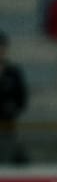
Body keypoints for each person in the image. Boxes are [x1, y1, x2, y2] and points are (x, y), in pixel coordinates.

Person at [0, 30, 28, 163]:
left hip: (7, 123)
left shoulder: (13, 72)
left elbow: (21, 97)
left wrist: (11, 108)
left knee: (6, 158)